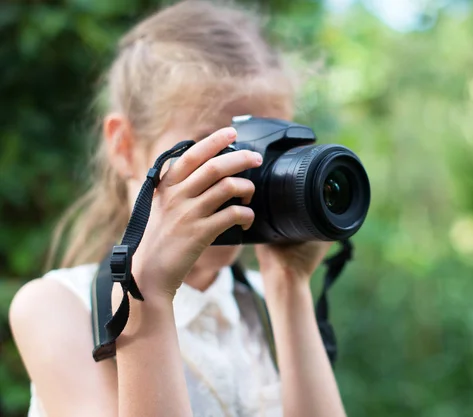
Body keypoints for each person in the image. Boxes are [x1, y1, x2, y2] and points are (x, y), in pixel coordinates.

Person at [9, 1, 347, 416]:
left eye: (271, 154)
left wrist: (288, 287)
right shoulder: (57, 309)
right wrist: (145, 294)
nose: (246, 179)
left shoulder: (263, 305)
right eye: (220, 151)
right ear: (126, 147)